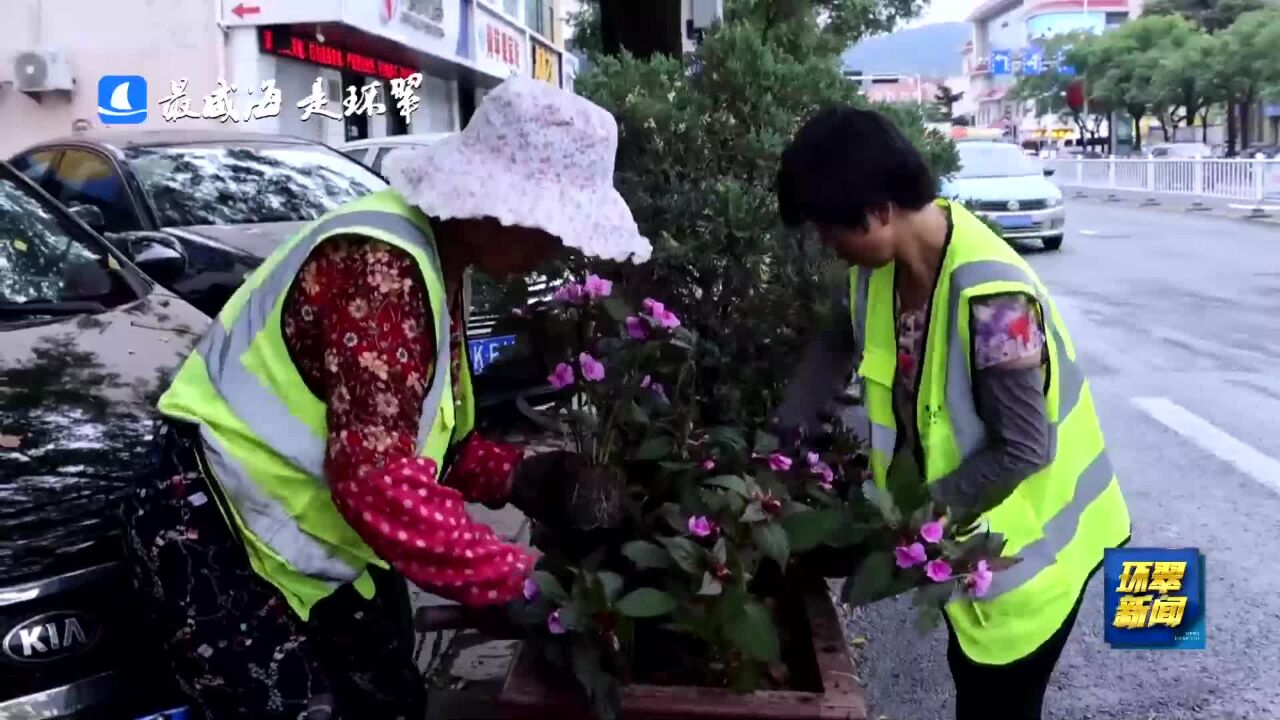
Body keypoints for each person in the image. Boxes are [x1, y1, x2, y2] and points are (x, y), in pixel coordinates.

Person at [122, 76, 651, 720]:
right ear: (490, 208)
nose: (558, 247)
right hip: (217, 531)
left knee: (391, 698)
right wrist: (514, 582)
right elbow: (376, 479)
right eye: (549, 224)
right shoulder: (378, 272)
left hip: (304, 535)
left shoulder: (438, 260)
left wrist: (518, 476)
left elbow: (410, 432)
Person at [771, 106, 1130, 720]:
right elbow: (834, 342)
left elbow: (1022, 448)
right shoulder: (879, 273)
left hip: (1034, 555)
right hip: (966, 529)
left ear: (881, 209)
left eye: (832, 230)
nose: (827, 245)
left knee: (994, 697)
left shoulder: (996, 302)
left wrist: (913, 524)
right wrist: (778, 437)